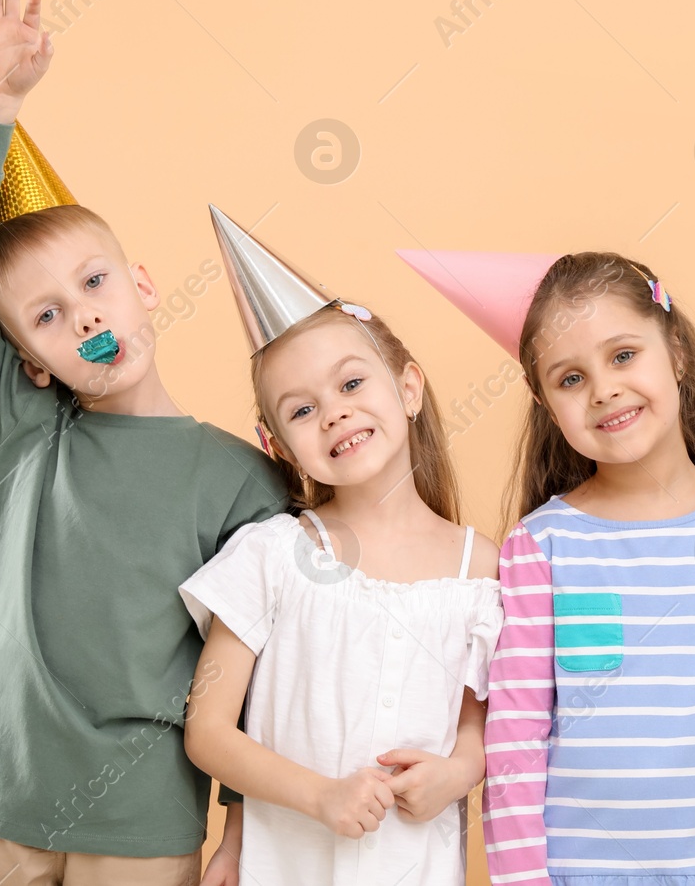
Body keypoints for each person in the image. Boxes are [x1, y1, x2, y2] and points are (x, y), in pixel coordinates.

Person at [0, 0, 284, 884]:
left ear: (143, 286)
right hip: (0, 789)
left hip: (144, 812)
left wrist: (242, 829)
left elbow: (267, 670)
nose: (82, 316)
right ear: (33, 361)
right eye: (46, 316)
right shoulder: (21, 427)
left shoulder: (243, 479)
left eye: (95, 283)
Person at [402, 248, 695, 885]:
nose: (604, 390)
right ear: (545, 402)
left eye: (623, 355)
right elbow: (516, 745)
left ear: (676, 351)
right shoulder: (540, 547)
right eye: (570, 378)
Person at [179, 218, 502, 885]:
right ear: (278, 447)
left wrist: (457, 773)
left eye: (352, 384)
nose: (333, 413)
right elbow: (208, 729)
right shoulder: (270, 554)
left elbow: (482, 724)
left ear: (408, 388)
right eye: (301, 410)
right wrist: (320, 795)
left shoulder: (481, 567)